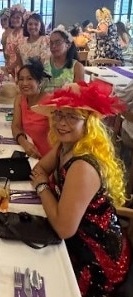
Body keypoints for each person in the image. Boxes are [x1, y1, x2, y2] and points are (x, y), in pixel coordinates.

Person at [30, 81, 130, 297]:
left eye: (71, 116)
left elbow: (64, 229)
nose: (61, 122)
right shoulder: (67, 145)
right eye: (57, 114)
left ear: (88, 124)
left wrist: (41, 186)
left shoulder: (82, 165)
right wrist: (44, 184)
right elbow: (39, 168)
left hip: (97, 258)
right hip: (75, 235)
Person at [12, 58, 52, 158]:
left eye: (29, 79)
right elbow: (15, 126)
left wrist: (44, 166)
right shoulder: (20, 99)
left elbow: (58, 141)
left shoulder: (50, 103)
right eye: (21, 79)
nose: (24, 83)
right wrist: (24, 143)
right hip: (28, 155)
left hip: (46, 159)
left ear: (39, 82)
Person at [42, 26, 84, 93]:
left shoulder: (77, 67)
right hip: (43, 102)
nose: (53, 46)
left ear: (68, 45)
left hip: (67, 103)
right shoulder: (43, 63)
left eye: (58, 42)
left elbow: (79, 94)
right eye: (51, 43)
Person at [4, 4, 25, 78]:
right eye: (13, 17)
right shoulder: (9, 35)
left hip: (22, 66)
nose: (15, 20)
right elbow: (7, 55)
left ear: (22, 19)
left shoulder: (25, 34)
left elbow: (24, 54)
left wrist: (13, 65)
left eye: (18, 17)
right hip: (11, 69)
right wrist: (8, 67)